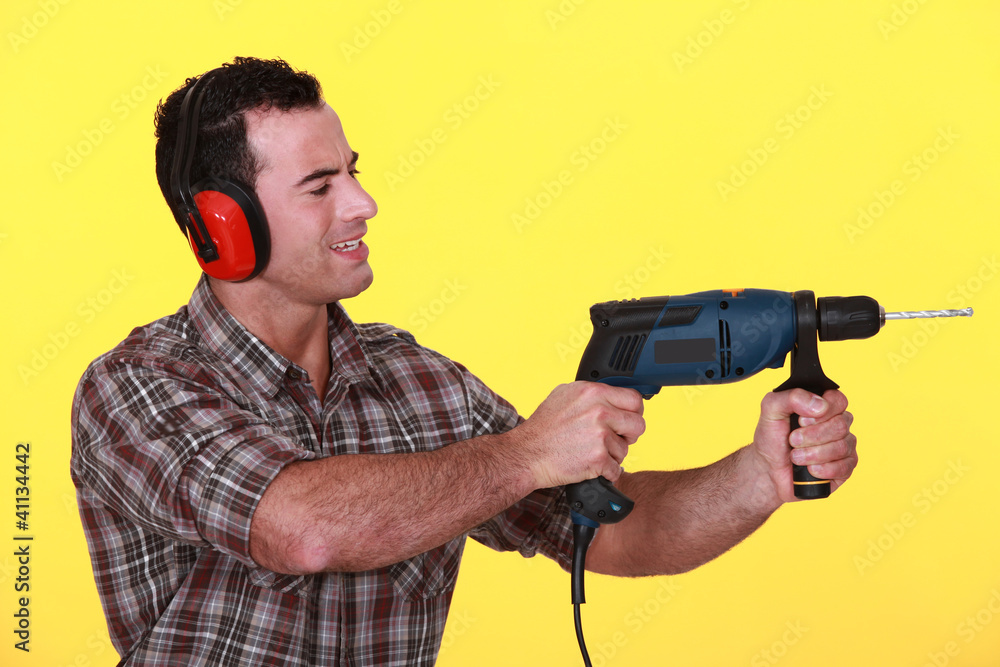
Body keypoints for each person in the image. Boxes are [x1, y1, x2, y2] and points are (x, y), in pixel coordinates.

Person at [70, 57, 858, 666]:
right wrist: (526, 453)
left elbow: (611, 532)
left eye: (354, 170)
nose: (363, 204)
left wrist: (761, 473)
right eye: (320, 186)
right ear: (223, 226)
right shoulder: (136, 388)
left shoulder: (423, 384)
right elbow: (301, 528)